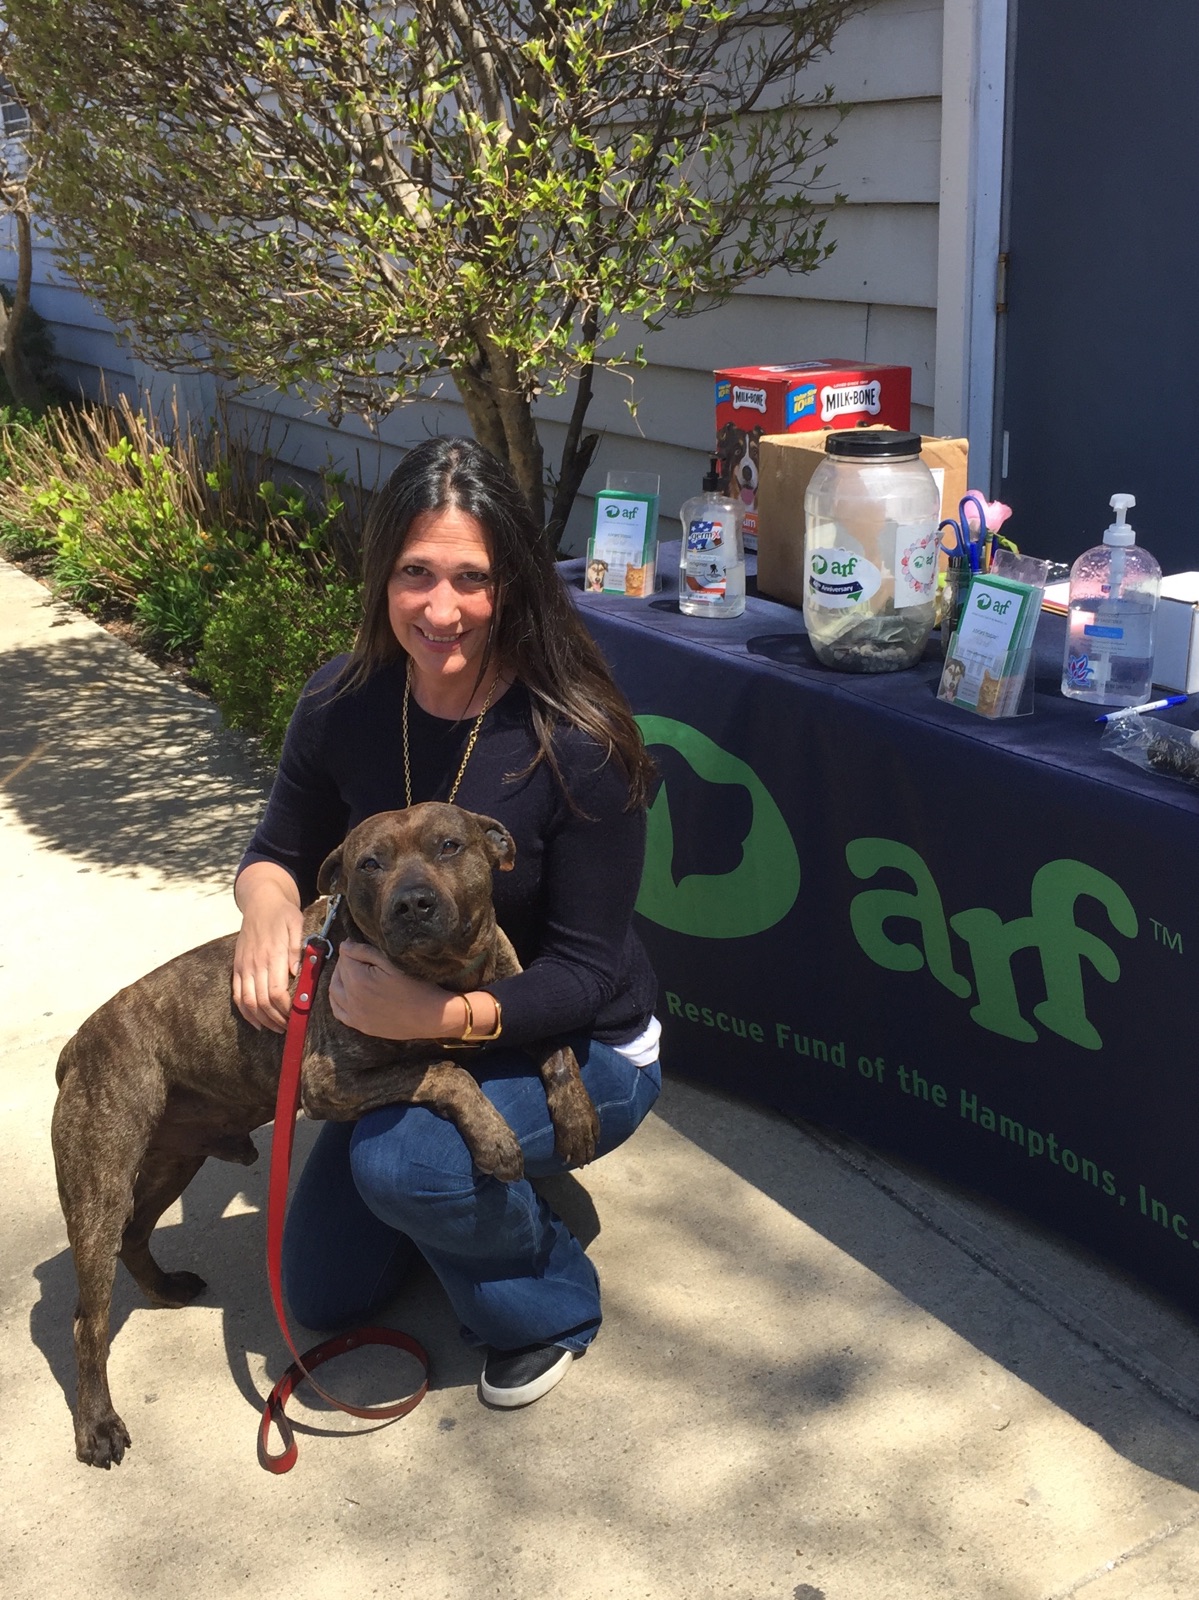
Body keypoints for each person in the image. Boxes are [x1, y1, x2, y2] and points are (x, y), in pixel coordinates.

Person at [232, 436, 661, 1409]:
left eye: (471, 579)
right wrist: (266, 916)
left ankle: (546, 1295)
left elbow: (588, 973)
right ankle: (468, 1195)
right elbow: (276, 852)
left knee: (400, 1167)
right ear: (382, 576)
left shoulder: (573, 737)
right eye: (414, 574)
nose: (441, 608)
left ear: (510, 585)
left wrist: (429, 1022)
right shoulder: (342, 701)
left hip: (581, 1043)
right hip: (411, 1032)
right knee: (323, 1293)